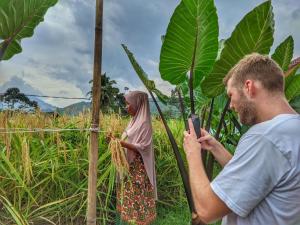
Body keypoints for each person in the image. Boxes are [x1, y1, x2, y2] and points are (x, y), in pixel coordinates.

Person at [183, 53, 300, 225]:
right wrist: (216, 147)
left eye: (231, 95)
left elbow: (207, 210)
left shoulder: (264, 137)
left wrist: (192, 153)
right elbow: (259, 176)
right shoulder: (291, 129)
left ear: (249, 87)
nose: (230, 105)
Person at [112, 90, 157, 225]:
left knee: (138, 200)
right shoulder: (133, 121)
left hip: (138, 169)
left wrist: (119, 143)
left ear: (137, 104)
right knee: (130, 199)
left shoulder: (144, 123)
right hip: (129, 168)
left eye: (128, 104)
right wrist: (114, 140)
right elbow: (127, 139)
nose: (126, 107)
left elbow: (142, 147)